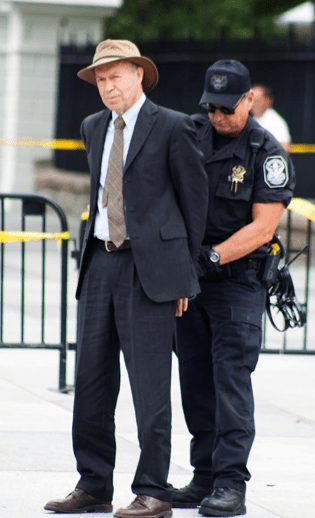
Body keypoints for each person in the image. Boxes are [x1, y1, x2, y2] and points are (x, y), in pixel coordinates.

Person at [44, 39, 208, 517]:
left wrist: (185, 277)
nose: (107, 85)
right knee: (91, 380)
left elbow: (195, 207)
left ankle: (154, 489)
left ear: (139, 74)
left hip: (150, 270)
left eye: (116, 75)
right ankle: (93, 483)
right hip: (99, 262)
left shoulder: (175, 127)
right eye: (100, 78)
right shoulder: (93, 127)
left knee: (150, 388)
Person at [171, 60, 295, 517]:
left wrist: (213, 256)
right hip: (190, 281)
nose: (218, 116)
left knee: (230, 385)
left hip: (237, 283)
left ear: (248, 100)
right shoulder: (191, 133)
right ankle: (203, 476)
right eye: (211, 107)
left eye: (227, 108)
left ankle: (230, 484)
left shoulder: (268, 151)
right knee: (195, 383)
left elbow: (264, 227)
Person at [251, 83, 292, 153]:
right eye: (251, 100)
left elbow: (285, 147)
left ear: (268, 101)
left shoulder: (275, 121)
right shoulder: (252, 119)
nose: (254, 103)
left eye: (257, 100)